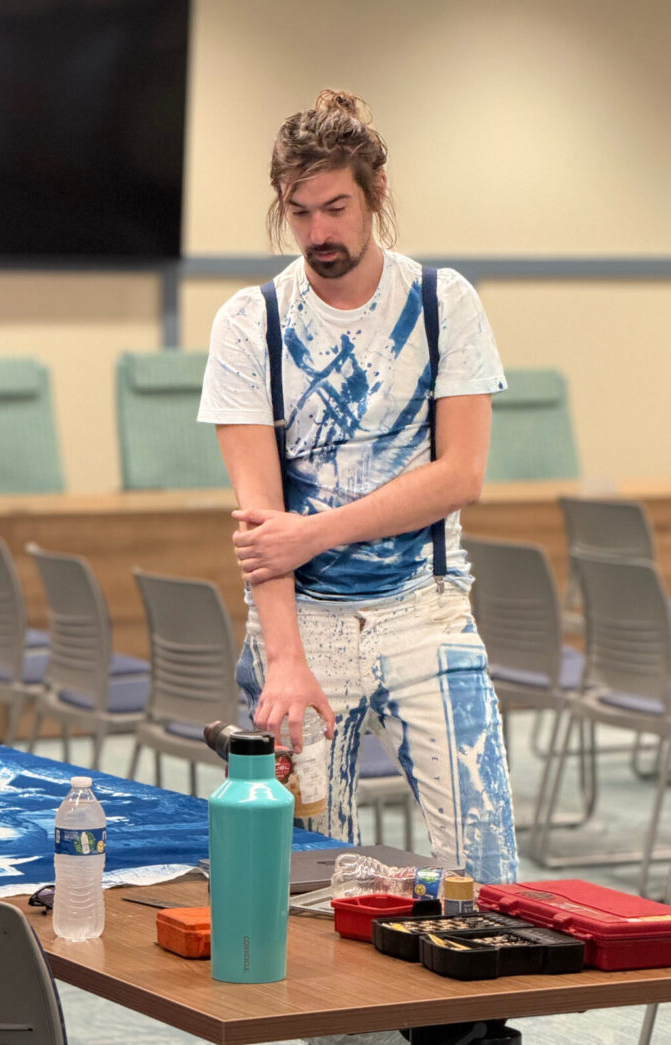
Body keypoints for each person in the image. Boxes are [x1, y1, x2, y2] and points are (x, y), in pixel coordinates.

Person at [198, 89, 517, 886]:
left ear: (375, 192)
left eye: (336, 207)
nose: (319, 233)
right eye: (299, 212)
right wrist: (284, 660)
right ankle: (344, 1021)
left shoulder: (444, 304)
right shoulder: (251, 323)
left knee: (486, 871)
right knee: (310, 883)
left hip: (426, 607)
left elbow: (460, 475)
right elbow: (262, 523)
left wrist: (317, 530)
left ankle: (473, 1017)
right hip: (300, 622)